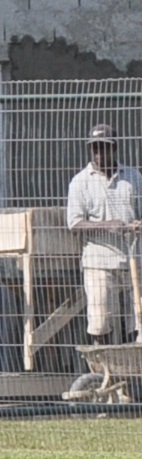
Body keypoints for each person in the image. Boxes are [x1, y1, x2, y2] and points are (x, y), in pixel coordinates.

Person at [67, 123, 142, 345]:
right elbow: (74, 224)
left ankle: (135, 362)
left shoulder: (133, 177)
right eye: (95, 147)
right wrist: (108, 225)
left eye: (104, 147)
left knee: (138, 320)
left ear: (114, 148)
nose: (99, 153)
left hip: (134, 260)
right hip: (98, 261)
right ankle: (103, 362)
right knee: (100, 322)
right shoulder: (80, 182)